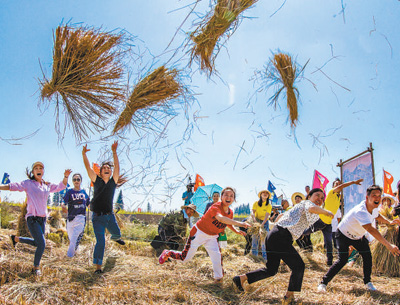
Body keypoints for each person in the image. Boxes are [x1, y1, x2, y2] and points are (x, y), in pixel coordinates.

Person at [233, 188, 333, 304]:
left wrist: (293, 231)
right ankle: (288, 297)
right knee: (298, 266)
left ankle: (240, 279)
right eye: (317, 195)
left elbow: (282, 216)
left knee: (271, 270)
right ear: (309, 196)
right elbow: (311, 208)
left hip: (275, 235)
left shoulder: (301, 206)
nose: (319, 199)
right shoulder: (307, 203)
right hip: (281, 236)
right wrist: (326, 211)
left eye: (322, 198)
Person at [317, 185, 400, 293]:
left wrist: (389, 222)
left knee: (367, 256)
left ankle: (367, 282)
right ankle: (323, 283)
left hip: (358, 237)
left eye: (379, 196)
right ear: (367, 197)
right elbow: (371, 230)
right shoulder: (361, 211)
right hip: (343, 235)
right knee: (342, 260)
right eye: (374, 195)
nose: (377, 198)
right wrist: (389, 246)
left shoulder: (373, 208)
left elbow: (377, 215)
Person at [159, 187, 250, 283]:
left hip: (212, 237)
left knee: (217, 257)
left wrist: (236, 231)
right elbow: (221, 219)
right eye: (226, 195)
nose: (228, 197)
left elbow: (227, 223)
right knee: (185, 258)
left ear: (234, 199)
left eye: (231, 196)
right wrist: (240, 224)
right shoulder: (215, 207)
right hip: (199, 233)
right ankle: (168, 253)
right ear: (221, 197)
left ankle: (218, 279)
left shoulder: (230, 212)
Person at [0, 162, 71, 276]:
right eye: (36, 168)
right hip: (32, 218)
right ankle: (35, 268)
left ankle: (16, 239)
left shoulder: (46, 185)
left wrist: (66, 177)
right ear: (33, 172)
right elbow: (13, 186)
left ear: (43, 171)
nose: (39, 170)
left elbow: (61, 187)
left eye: (41, 168)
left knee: (38, 243)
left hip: (42, 219)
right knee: (42, 244)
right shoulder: (28, 183)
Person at [82, 141, 126, 274]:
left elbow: (117, 167)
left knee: (117, 234)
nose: (107, 169)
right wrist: (84, 154)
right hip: (98, 217)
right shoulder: (96, 181)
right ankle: (98, 267)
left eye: (109, 168)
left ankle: (115, 237)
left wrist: (114, 152)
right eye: (104, 168)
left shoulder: (113, 182)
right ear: (100, 172)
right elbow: (88, 167)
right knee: (100, 241)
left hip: (110, 216)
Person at [301, 178, 363, 265]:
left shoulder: (338, 198)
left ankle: (329, 262)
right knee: (306, 232)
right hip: (321, 220)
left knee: (329, 243)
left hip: (328, 224)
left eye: (339, 184)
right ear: (333, 186)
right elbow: (342, 186)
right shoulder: (331, 192)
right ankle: (294, 236)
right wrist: (353, 182)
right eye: (336, 184)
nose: (338, 185)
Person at [61, 173, 90, 257]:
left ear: (81, 181)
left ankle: (69, 257)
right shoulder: (69, 192)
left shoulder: (84, 192)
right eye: (74, 179)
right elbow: (64, 201)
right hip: (71, 218)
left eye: (78, 179)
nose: (76, 181)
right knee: (72, 239)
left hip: (81, 217)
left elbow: (89, 204)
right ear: (72, 181)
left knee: (74, 238)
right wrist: (63, 206)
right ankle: (77, 254)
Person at [250, 190, 271, 260]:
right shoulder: (256, 203)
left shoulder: (269, 205)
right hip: (256, 220)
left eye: (266, 194)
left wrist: (262, 224)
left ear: (268, 196)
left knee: (264, 241)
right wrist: (255, 221)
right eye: (263, 193)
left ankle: (265, 259)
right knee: (255, 239)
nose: (265, 194)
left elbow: (267, 215)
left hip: (265, 222)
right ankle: (254, 257)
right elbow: (252, 212)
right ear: (261, 195)